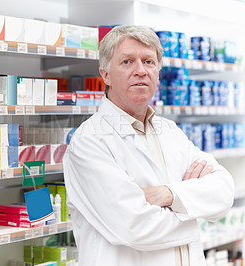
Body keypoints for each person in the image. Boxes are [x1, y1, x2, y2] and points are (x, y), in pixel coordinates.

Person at [63, 25, 234, 266]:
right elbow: (134, 226)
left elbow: (223, 190)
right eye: (127, 62)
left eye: (149, 62)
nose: (140, 71)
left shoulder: (170, 132)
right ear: (106, 74)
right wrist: (196, 213)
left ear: (158, 72)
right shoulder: (89, 141)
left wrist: (169, 194)